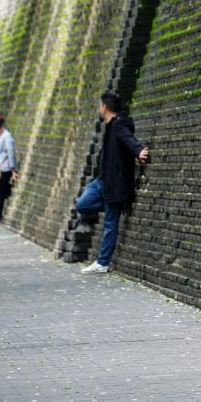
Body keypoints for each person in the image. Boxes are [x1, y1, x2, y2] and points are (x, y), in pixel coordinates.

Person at [76, 90, 149, 274]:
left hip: (114, 184)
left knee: (110, 224)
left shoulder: (119, 124)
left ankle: (102, 263)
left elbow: (128, 137)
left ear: (104, 107)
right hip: (102, 181)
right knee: (82, 205)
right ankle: (115, 205)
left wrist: (138, 150)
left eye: (100, 105)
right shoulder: (111, 124)